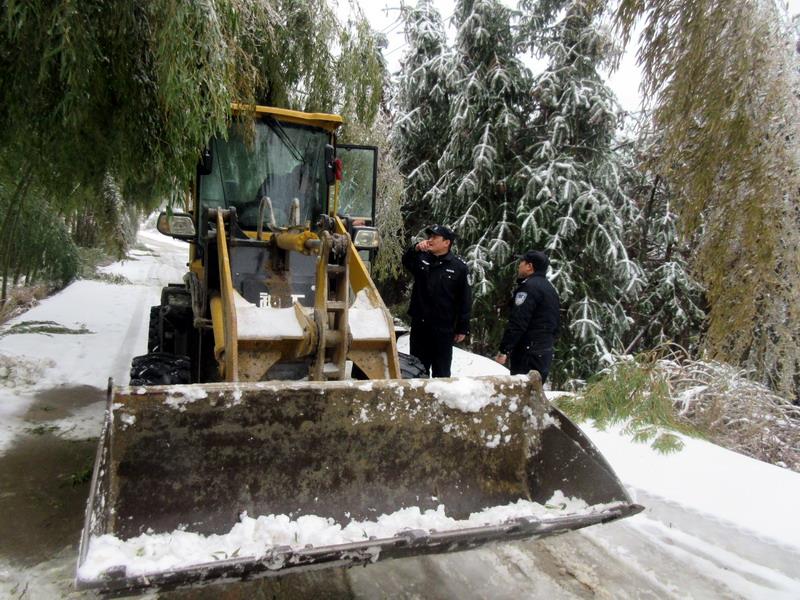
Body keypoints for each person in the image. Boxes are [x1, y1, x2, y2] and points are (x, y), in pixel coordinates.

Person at [402, 224, 471, 377]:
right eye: (429, 237)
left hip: (443, 327)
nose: (430, 240)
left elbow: (464, 299)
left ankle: (439, 399)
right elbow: (406, 261)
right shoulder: (422, 258)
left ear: (446, 242)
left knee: (442, 370)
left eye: (434, 237)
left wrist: (462, 327)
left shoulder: (459, 267)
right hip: (420, 325)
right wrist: (415, 249)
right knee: (417, 368)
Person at [495, 250, 560, 382]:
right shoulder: (550, 288)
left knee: (522, 395)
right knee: (534, 394)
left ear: (529, 266)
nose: (519, 266)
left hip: (527, 352)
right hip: (544, 350)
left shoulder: (528, 288)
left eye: (522, 262)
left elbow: (518, 321)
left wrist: (504, 349)